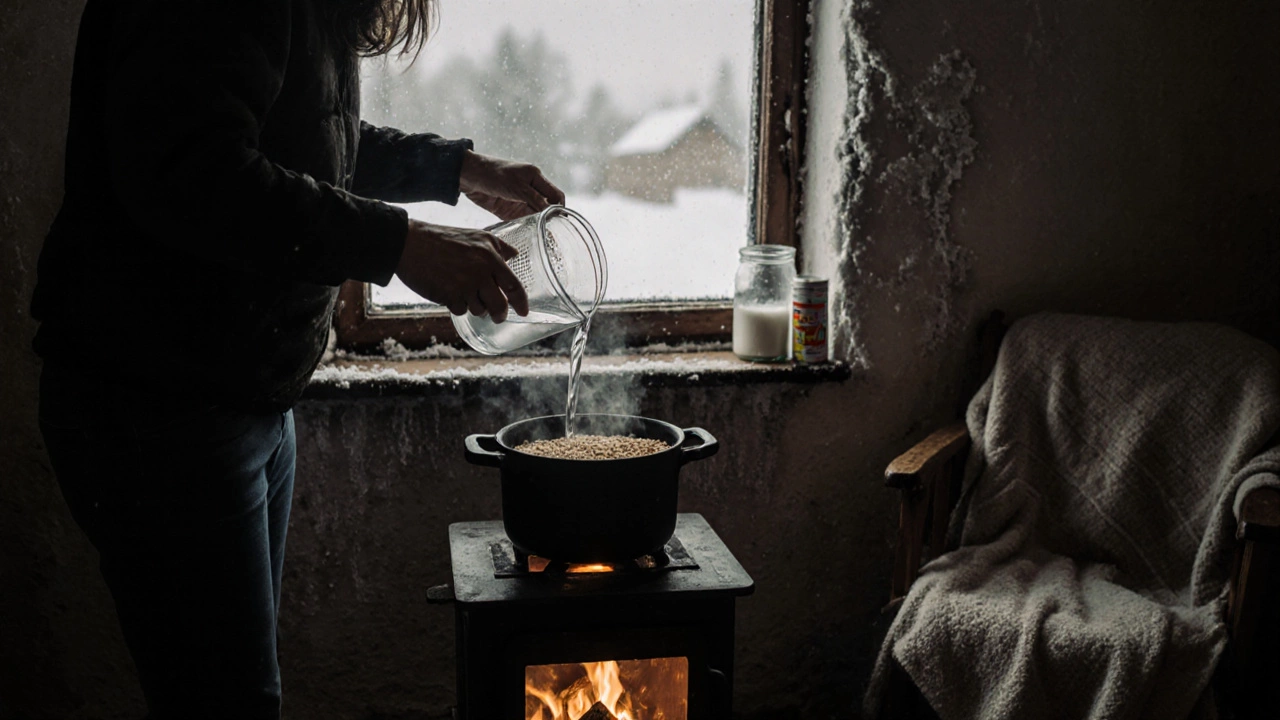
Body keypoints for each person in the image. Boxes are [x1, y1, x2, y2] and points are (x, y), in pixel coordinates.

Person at [30, 0, 563, 717]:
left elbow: (306, 137)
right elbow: (195, 171)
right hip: (159, 404)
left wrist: (457, 167)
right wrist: (400, 244)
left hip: (244, 387)